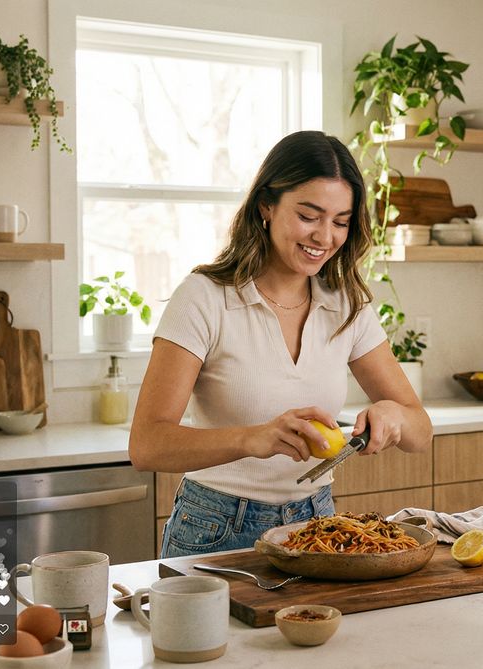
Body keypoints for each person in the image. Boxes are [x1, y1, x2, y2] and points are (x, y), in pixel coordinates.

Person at [130, 130, 433, 558]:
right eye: (309, 216)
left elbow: (421, 432)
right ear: (266, 206)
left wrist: (394, 415)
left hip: (319, 525)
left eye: (341, 222)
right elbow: (147, 444)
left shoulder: (346, 305)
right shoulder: (204, 298)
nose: (325, 237)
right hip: (215, 527)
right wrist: (254, 438)